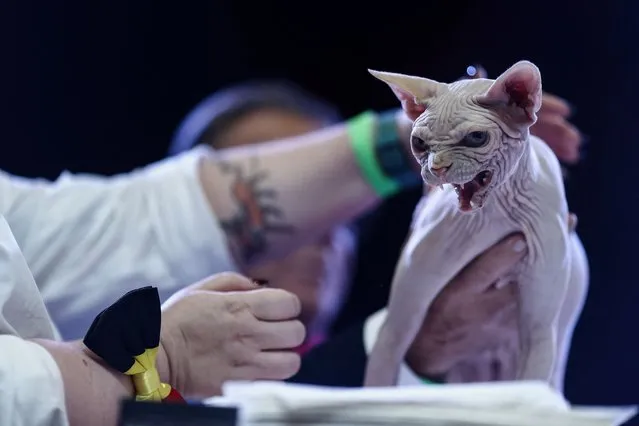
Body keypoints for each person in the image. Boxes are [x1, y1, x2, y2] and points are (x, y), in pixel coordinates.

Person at [167, 75, 584, 385]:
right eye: (297, 202)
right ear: (195, 218)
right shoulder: (141, 377)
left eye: (336, 202)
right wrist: (416, 352)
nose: (325, 228)